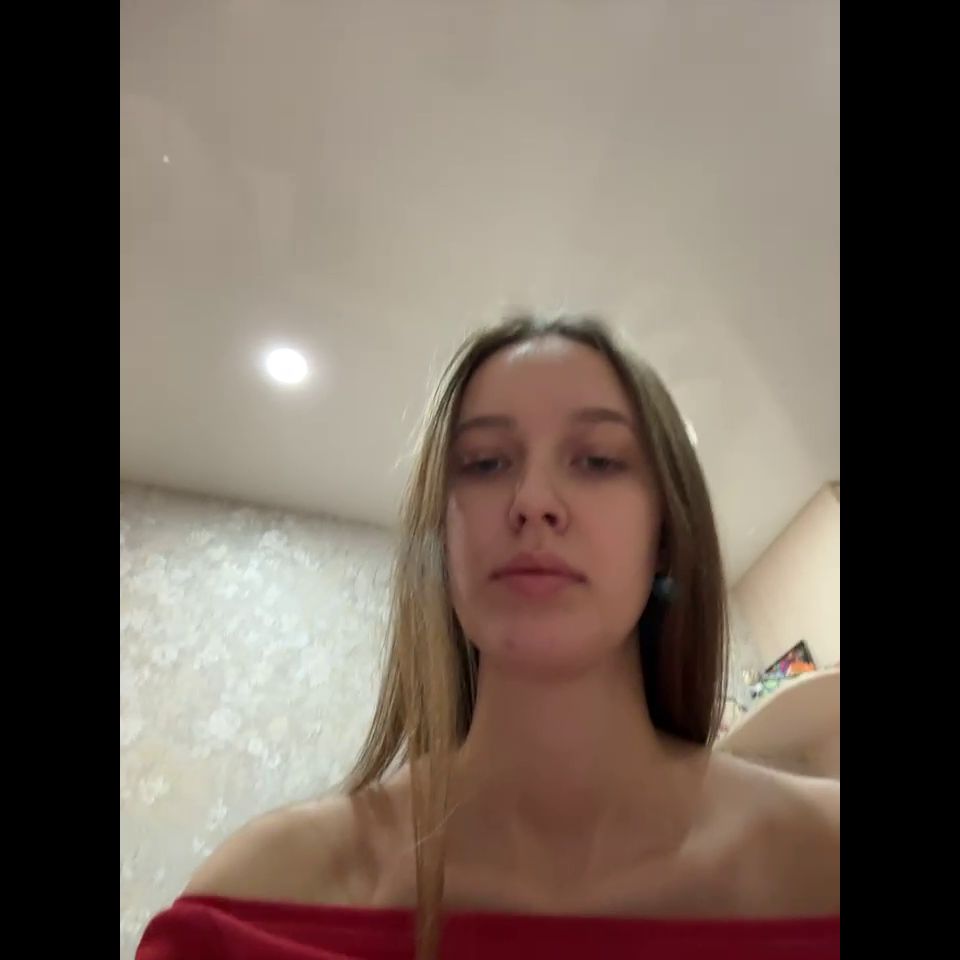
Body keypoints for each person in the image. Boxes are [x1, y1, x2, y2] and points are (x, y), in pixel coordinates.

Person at [137, 315, 840, 960]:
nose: (532, 501)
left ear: (665, 535)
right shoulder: (260, 897)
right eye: (483, 462)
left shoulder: (824, 860)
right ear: (441, 537)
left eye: (597, 460)